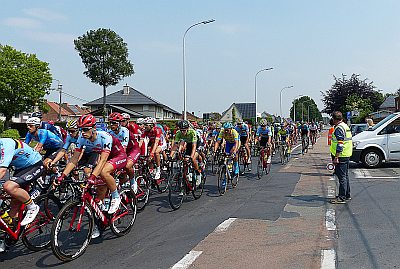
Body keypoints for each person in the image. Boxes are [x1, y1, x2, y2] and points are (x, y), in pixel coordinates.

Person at [57, 114, 126, 214]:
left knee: (103, 172)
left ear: (94, 128)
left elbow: (102, 160)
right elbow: (74, 158)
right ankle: (102, 213)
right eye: (80, 130)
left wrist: (92, 177)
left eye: (85, 129)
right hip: (104, 157)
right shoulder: (82, 138)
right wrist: (63, 175)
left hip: (118, 156)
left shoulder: (104, 136)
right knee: (100, 187)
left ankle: (116, 196)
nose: (82, 133)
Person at [0, 138, 45, 251]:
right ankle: (10, 233)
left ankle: (32, 206)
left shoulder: (6, 144)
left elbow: (2, 171)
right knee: (14, 203)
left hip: (34, 165)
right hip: (20, 169)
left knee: (9, 187)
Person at [330, 111, 353, 204]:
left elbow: (340, 143)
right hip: (346, 153)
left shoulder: (339, 128)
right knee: (345, 176)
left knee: (341, 177)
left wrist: (336, 157)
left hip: (341, 155)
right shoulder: (345, 126)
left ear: (334, 119)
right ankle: (347, 194)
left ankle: (342, 197)